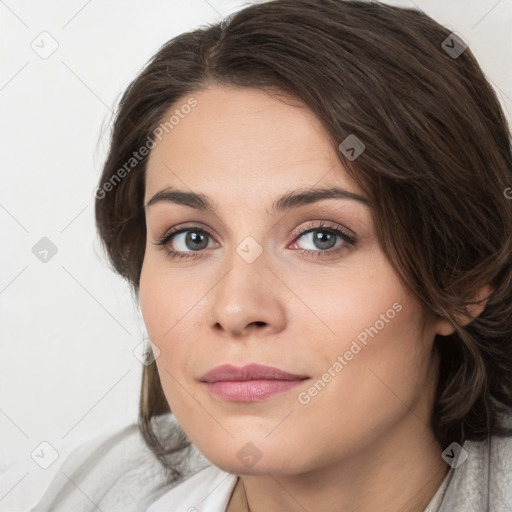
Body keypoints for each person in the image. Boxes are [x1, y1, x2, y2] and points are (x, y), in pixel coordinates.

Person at [3, 0, 512, 510]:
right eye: (191, 238)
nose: (236, 309)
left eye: (322, 238)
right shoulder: (76, 491)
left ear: (464, 280)